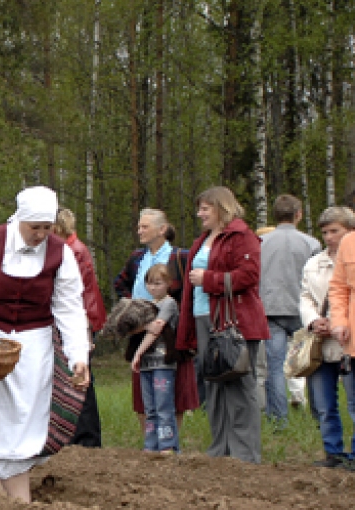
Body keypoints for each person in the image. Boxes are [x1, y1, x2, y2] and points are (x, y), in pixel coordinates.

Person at [0, 186, 91, 503]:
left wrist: (78, 354)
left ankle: (5, 479)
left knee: (31, 419)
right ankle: (19, 499)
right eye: (34, 228)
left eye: (47, 227)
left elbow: (69, 307)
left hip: (36, 346)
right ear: (20, 220)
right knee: (3, 419)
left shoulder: (60, 253)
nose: (41, 234)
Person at [177, 186, 269, 464]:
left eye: (206, 208)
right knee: (215, 385)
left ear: (222, 207)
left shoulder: (242, 236)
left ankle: (244, 456)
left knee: (240, 385)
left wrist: (208, 279)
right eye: (200, 208)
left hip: (235, 321)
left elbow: (249, 275)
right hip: (204, 317)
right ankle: (220, 451)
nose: (200, 214)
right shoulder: (202, 240)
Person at [113, 208, 200, 433]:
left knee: (176, 389)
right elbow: (120, 284)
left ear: (161, 230)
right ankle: (149, 442)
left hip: (171, 331)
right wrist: (135, 310)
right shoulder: (136, 258)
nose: (139, 230)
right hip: (140, 330)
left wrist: (173, 313)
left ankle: (171, 440)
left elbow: (190, 292)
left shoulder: (180, 256)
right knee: (142, 388)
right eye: (139, 226)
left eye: (145, 227)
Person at [259, 194, 322, 426]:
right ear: (298, 214)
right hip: (302, 310)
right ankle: (320, 416)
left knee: (275, 367)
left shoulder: (262, 243)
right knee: (312, 363)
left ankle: (278, 420)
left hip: (271, 308)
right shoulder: (311, 243)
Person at [302, 207, 355, 467]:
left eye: (335, 231)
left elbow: (345, 294)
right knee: (323, 403)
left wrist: (337, 322)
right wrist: (313, 320)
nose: (330, 237)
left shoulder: (349, 258)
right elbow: (305, 297)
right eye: (325, 232)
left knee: (354, 402)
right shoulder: (314, 263)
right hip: (321, 343)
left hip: (348, 338)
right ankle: (332, 451)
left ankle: (354, 453)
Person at [53, 207, 106, 448]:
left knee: (80, 376)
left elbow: (76, 293)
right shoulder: (73, 248)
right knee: (75, 377)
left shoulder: (72, 251)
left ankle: (86, 438)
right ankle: (79, 435)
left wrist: (84, 330)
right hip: (82, 317)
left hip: (81, 319)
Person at [130, 265, 180, 453]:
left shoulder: (169, 304)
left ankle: (167, 445)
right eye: (150, 283)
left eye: (158, 283)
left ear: (168, 283)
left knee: (163, 406)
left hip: (163, 362)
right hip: (146, 364)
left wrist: (138, 352)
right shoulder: (147, 305)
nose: (153, 288)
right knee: (149, 408)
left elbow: (156, 328)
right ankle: (150, 445)